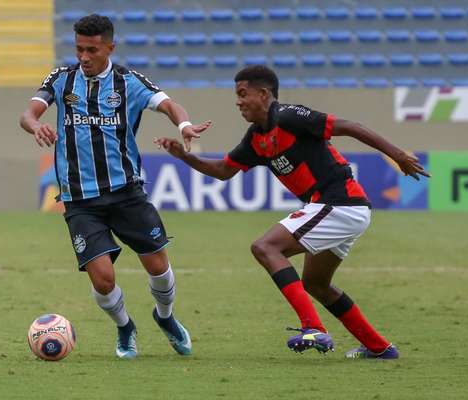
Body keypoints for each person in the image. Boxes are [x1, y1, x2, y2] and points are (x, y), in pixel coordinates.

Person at [154, 65, 429, 359]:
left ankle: (313, 326)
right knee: (316, 284)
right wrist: (185, 156)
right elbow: (222, 170)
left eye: (243, 93)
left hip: (338, 203)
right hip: (337, 209)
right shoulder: (256, 137)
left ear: (264, 94)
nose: (238, 101)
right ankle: (379, 348)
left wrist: (398, 155)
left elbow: (350, 127)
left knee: (265, 247)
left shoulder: (288, 116)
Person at [19, 14, 211, 359]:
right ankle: (125, 328)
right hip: (80, 199)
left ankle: (165, 318)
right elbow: (29, 112)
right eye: (79, 49)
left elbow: (168, 104)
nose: (84, 57)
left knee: (158, 268)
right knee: (103, 279)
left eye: (92, 49)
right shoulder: (62, 79)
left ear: (110, 47)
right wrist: (35, 125)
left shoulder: (129, 82)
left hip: (126, 194)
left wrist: (183, 123)